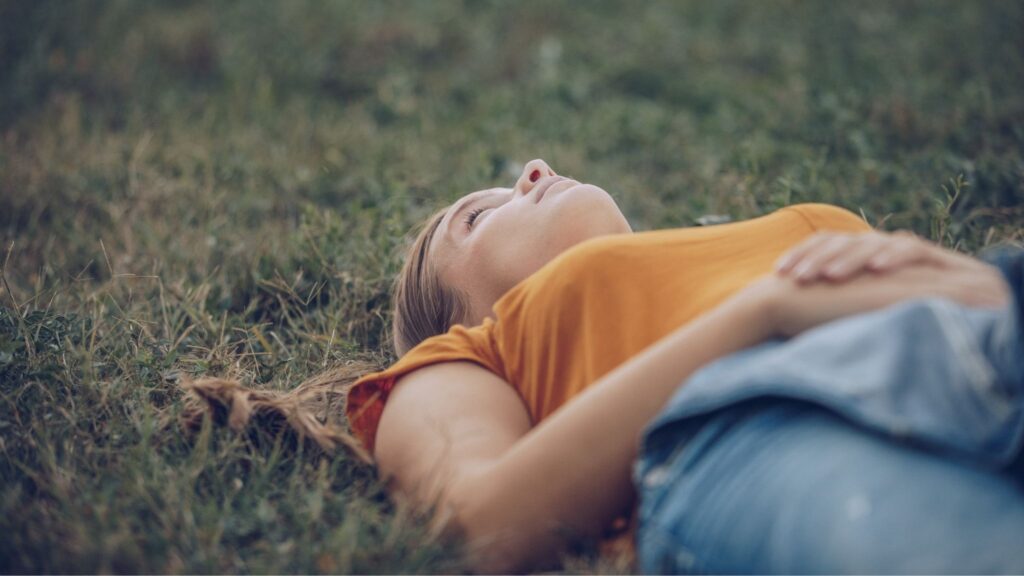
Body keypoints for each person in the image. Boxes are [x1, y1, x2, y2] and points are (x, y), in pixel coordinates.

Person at [188, 158, 1023, 573]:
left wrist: (983, 278)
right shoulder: (463, 360)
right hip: (750, 430)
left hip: (973, 329)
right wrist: (764, 316)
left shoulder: (721, 241)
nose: (533, 171)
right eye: (480, 217)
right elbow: (478, 524)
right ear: (468, 318)